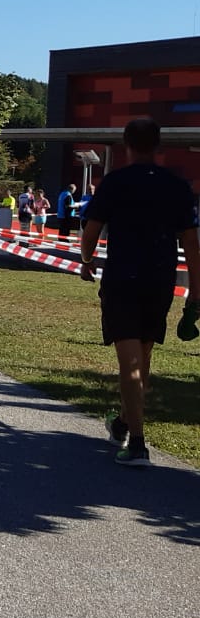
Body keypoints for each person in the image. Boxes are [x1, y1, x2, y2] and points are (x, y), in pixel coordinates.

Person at [79, 118, 200, 467]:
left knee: (129, 363)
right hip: (159, 280)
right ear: (158, 145)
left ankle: (137, 443)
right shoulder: (177, 186)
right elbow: (191, 244)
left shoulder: (115, 182)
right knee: (142, 358)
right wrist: (195, 292)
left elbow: (91, 232)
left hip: (123, 279)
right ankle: (122, 421)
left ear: (126, 144)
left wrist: (86, 260)